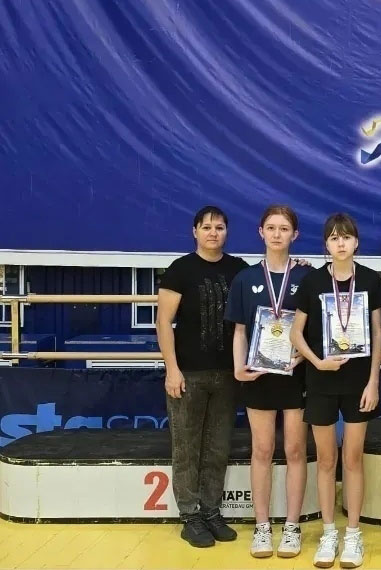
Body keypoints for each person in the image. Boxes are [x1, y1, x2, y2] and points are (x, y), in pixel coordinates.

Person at [290, 213, 381, 568]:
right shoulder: (313, 281)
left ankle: (353, 533)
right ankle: (329, 532)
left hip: (359, 383)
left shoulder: (371, 280)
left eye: (346, 237)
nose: (341, 243)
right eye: (334, 238)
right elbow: (295, 333)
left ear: (356, 242)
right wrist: (317, 362)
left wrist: (373, 381)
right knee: (326, 460)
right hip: (321, 381)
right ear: (326, 245)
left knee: (353, 458)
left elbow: (378, 334)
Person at [156, 206, 248, 548]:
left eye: (219, 227)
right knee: (186, 447)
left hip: (227, 374)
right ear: (195, 231)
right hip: (188, 375)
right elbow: (163, 322)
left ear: (227, 232)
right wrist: (172, 368)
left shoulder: (238, 269)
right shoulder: (180, 269)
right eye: (206, 227)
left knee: (217, 447)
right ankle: (189, 515)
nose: (213, 232)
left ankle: (211, 511)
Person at [225, 205, 312, 559]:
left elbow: (314, 331)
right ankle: (262, 526)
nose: (277, 234)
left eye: (284, 228)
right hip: (258, 375)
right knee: (261, 449)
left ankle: (291, 526)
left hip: (295, 374)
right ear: (261, 232)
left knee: (295, 450)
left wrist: (302, 356)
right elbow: (239, 330)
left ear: (295, 235)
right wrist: (238, 367)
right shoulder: (245, 279)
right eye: (271, 228)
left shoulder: (307, 276)